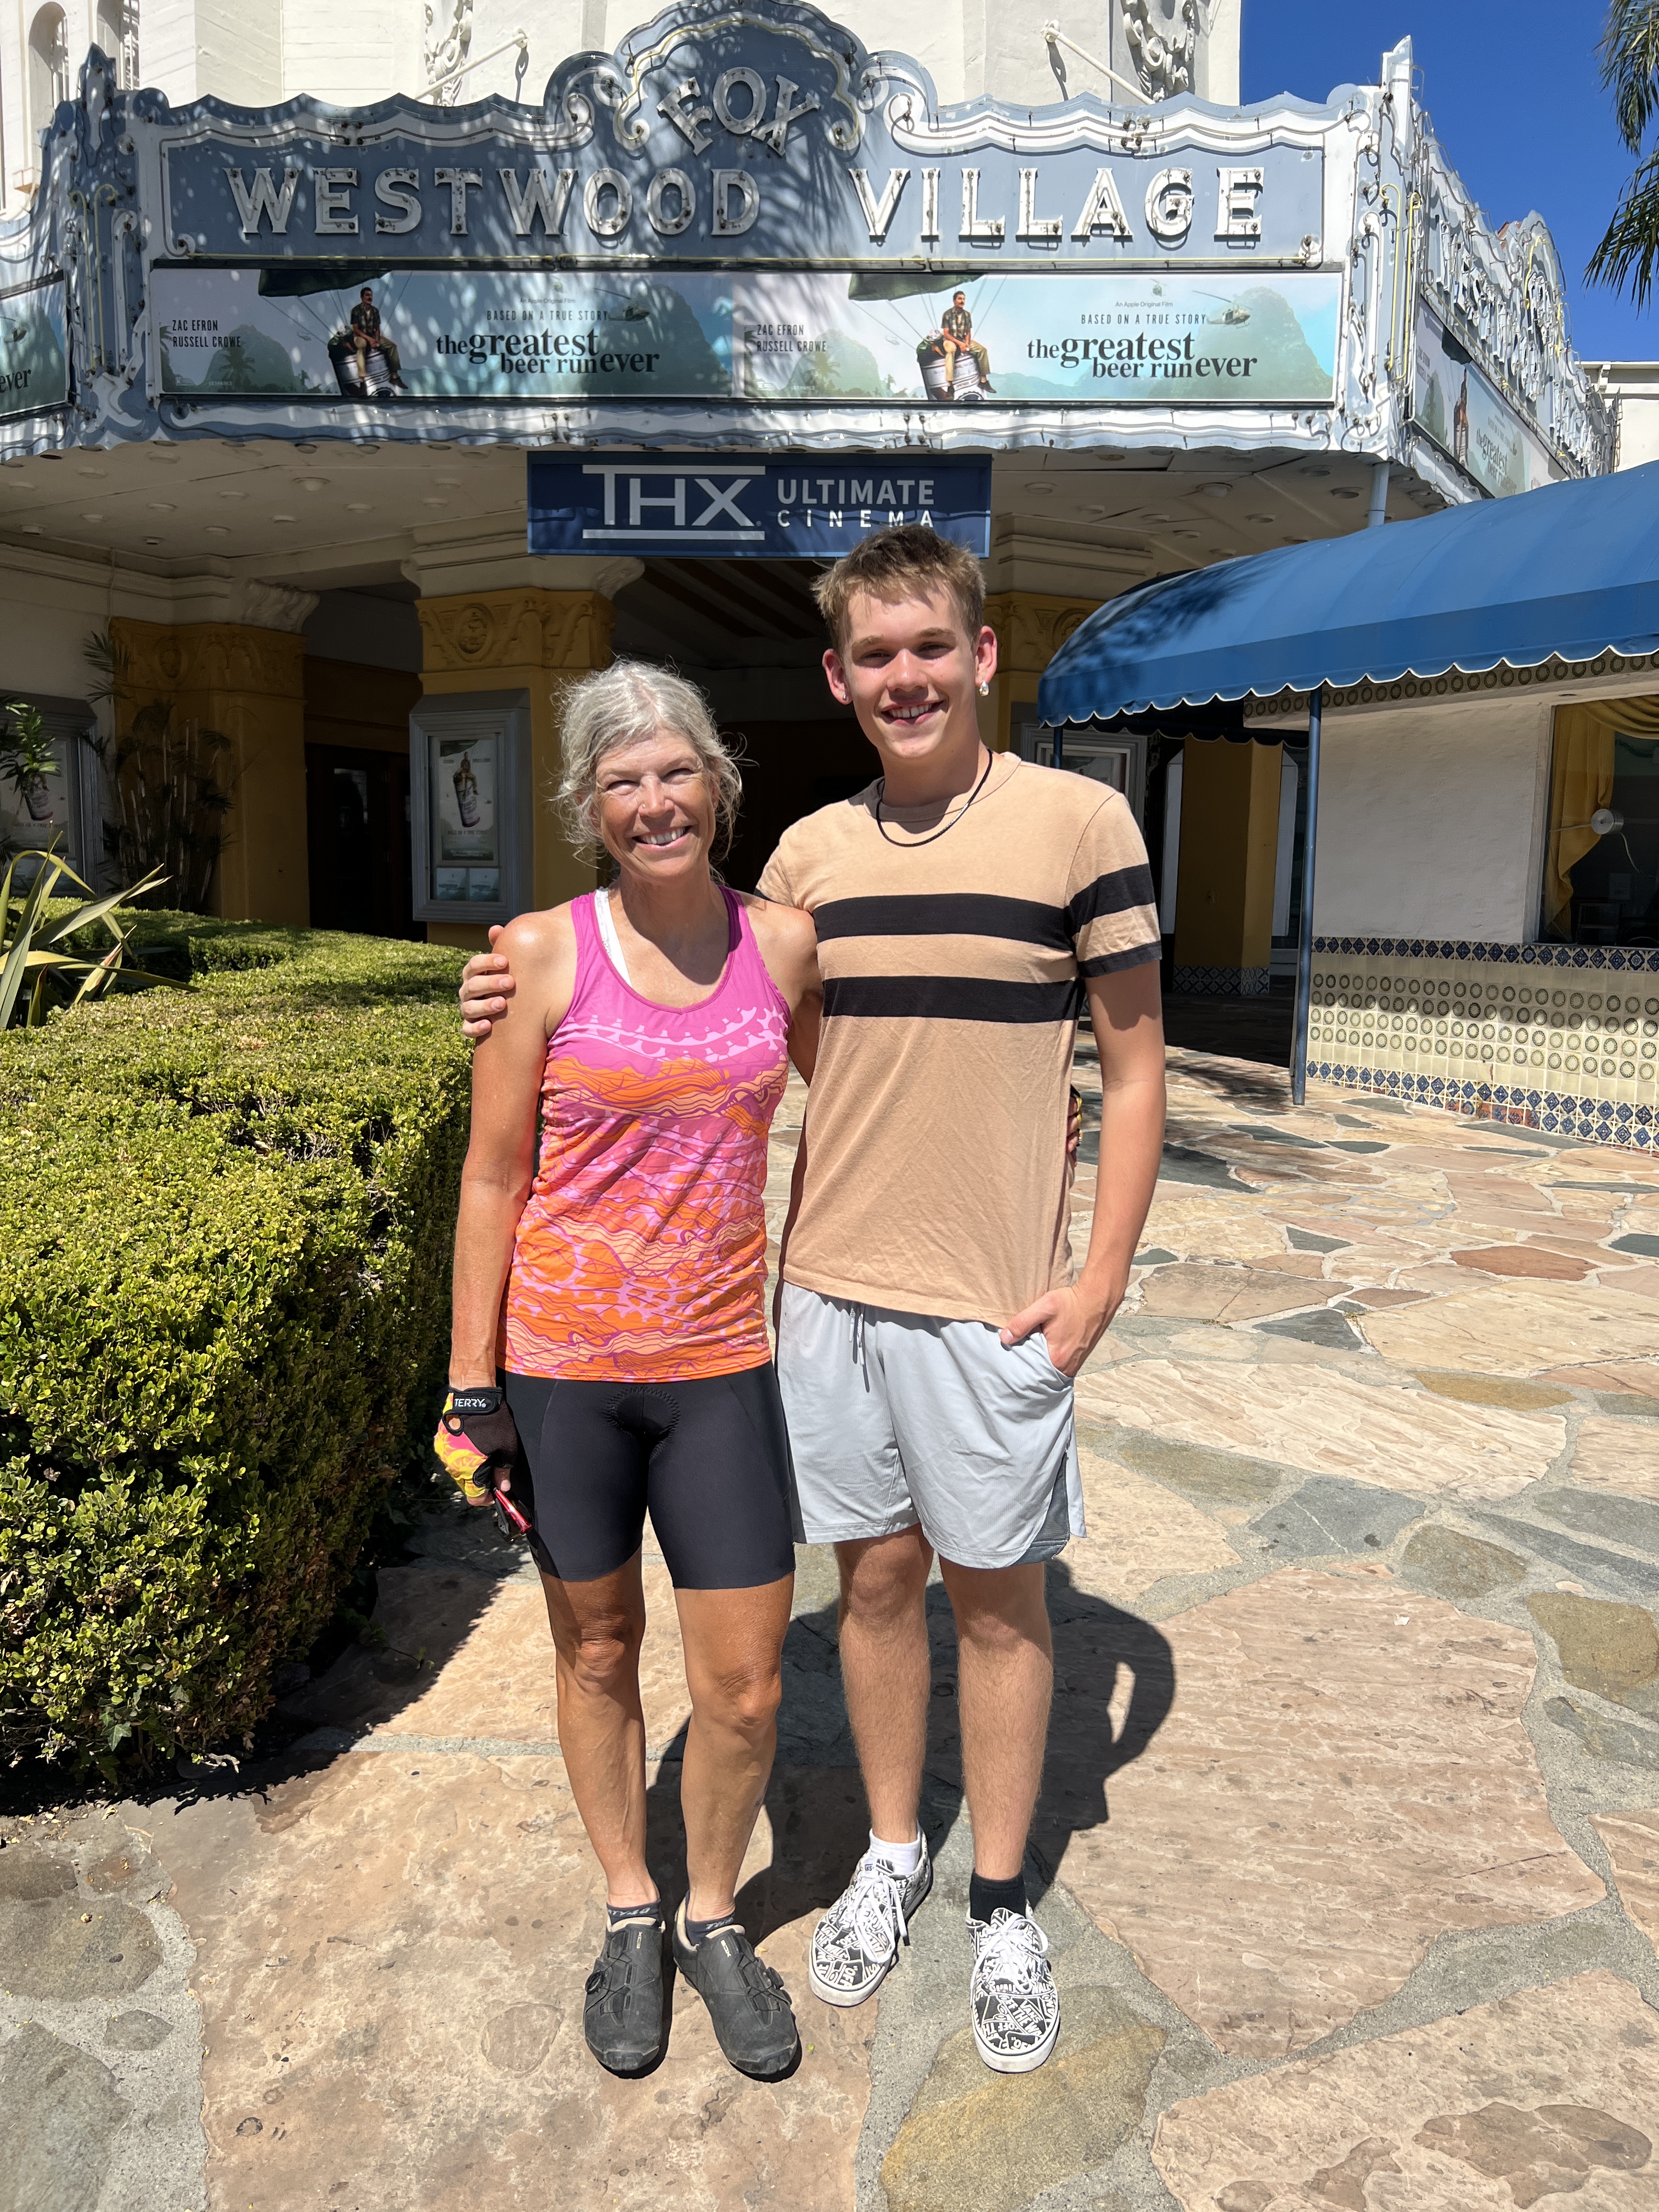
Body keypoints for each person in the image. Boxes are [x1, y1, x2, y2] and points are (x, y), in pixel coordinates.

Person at [459, 527, 1166, 2076]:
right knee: (879, 1587)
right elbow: (709, 1005)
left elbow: (1132, 1064)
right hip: (825, 1296)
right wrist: (501, 983)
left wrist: (1100, 1276)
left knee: (1002, 1604)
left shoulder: (1081, 823)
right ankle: (894, 1853)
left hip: (989, 1301)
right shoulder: (807, 865)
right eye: (877, 656)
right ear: (839, 678)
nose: (907, 678)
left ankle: (1000, 1902)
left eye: (933, 648)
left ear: (982, 654)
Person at [436, 661, 822, 2083]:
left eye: (676, 773)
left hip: (721, 1366)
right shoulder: (540, 955)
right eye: (623, 782)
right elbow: (492, 1177)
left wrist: (1030, 1125)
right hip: (564, 1376)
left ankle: (715, 1916)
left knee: (747, 1687)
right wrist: (472, 1383)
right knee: (595, 1650)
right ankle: (630, 1909)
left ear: (719, 782)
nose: (656, 803)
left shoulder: (785, 945)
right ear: (588, 806)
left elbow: (865, 1100)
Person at [349, 286, 406, 390]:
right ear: (362, 297)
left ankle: (394, 376)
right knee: (362, 347)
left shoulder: (375, 311)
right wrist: (370, 340)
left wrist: (376, 340)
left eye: (371, 295)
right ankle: (362, 381)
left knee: (392, 346)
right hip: (360, 337)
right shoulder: (356, 311)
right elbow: (356, 330)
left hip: (372, 336)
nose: (370, 298)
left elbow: (377, 329)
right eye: (367, 295)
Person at [941, 291, 993, 395]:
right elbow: (946, 334)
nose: (962, 301)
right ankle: (950, 386)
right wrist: (960, 344)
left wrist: (967, 344)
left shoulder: (967, 315)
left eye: (963, 299)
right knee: (951, 350)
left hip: (963, 340)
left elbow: (968, 332)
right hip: (950, 340)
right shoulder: (947, 314)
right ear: (954, 301)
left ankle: (983, 380)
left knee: (982, 350)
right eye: (960, 299)